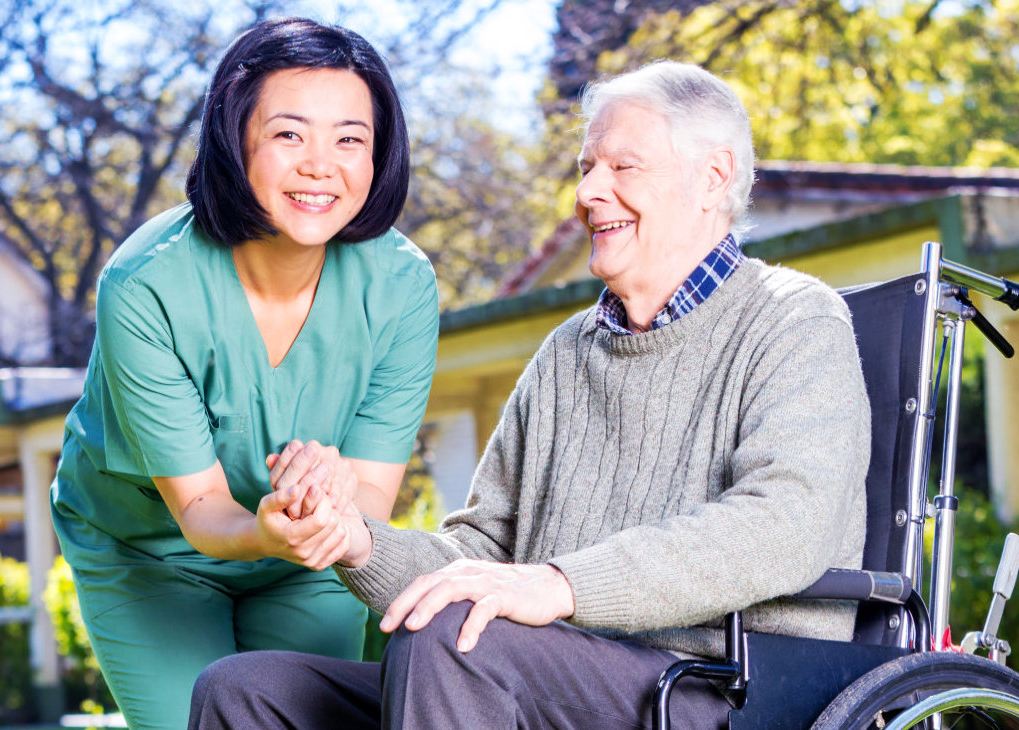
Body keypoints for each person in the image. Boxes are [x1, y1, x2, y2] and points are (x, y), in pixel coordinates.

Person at [189, 60, 872, 730]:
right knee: (249, 690)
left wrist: (557, 585)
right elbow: (480, 557)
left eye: (621, 167)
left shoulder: (792, 318)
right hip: (541, 671)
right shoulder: (566, 354)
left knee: (461, 640)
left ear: (712, 176)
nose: (589, 193)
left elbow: (787, 522)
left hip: (722, 689)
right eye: (585, 169)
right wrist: (353, 539)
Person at [48, 16, 437, 730]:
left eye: (350, 139)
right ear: (236, 139)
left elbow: (372, 496)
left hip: (307, 560)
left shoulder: (403, 286)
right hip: (152, 551)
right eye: (289, 134)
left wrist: (326, 506)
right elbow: (201, 512)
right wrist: (273, 528)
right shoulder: (145, 284)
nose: (322, 165)